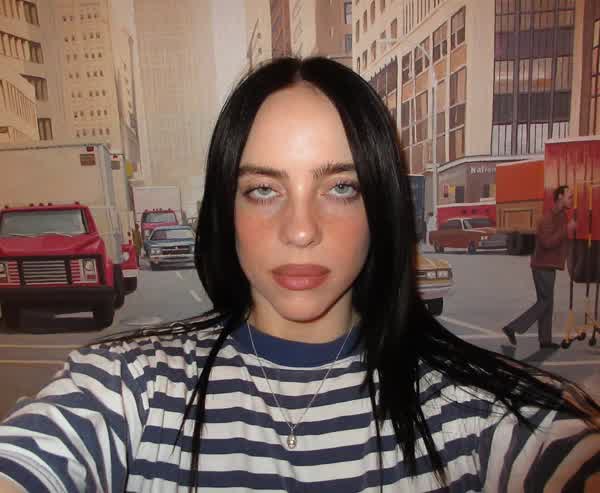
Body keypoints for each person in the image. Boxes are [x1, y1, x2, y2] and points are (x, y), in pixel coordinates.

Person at [0, 58, 598, 493]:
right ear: (226, 211)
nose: (301, 230)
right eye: (264, 189)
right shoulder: (128, 389)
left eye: (340, 187)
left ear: (380, 206)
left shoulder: (486, 415)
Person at [502, 185, 577, 350]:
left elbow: (562, 241)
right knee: (545, 302)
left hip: (550, 265)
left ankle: (545, 340)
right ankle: (512, 327)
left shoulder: (562, 216)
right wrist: (567, 229)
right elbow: (547, 243)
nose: (572, 200)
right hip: (542, 266)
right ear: (560, 197)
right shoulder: (547, 218)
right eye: (570, 196)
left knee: (547, 302)